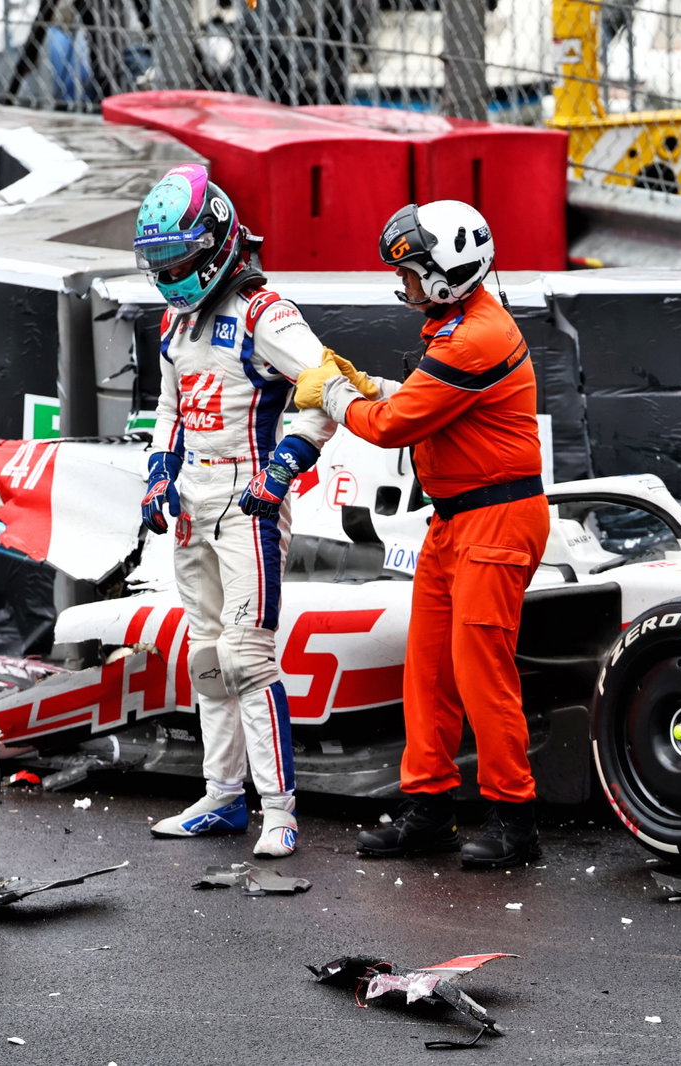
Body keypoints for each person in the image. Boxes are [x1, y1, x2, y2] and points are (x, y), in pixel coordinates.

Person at [295, 200, 549, 870]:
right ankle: (429, 811)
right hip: (457, 519)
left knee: (479, 673)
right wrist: (360, 384)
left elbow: (389, 426)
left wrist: (333, 396)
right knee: (429, 672)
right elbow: (417, 398)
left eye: (410, 271)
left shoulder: (473, 338)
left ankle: (513, 823)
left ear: (445, 274)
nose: (403, 283)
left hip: (495, 520)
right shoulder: (461, 326)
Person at [134, 163, 335, 859]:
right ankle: (222, 797)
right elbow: (168, 406)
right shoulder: (175, 319)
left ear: (214, 242)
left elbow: (325, 383)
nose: (166, 273)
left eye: (176, 259)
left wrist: (284, 467)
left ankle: (278, 809)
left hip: (248, 503)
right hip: (191, 502)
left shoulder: (262, 311)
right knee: (208, 659)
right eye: (156, 261)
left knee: (249, 657)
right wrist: (158, 474)